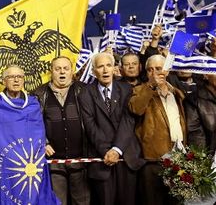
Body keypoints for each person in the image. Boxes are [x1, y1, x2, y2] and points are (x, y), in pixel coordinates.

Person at [0, 65, 59, 205]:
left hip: (30, 164)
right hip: (5, 163)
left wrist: (43, 144)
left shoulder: (33, 104)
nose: (16, 80)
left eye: (20, 77)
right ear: (4, 81)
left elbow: (38, 131)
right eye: (11, 77)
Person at [78, 52, 145, 205]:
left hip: (126, 158)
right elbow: (90, 126)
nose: (105, 70)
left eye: (108, 65)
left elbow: (128, 121)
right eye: (100, 67)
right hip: (102, 160)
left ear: (115, 68)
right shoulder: (85, 93)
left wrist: (117, 149)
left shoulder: (127, 89)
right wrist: (106, 151)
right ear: (94, 71)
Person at [129, 54, 187, 205]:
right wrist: (150, 86)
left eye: (158, 69)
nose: (154, 73)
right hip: (153, 160)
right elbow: (136, 109)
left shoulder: (176, 93)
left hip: (178, 157)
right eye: (150, 70)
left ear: (167, 71)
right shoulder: (140, 90)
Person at [32, 56, 90, 205]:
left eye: (66, 68)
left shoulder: (84, 90)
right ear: (51, 71)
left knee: (82, 202)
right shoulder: (38, 94)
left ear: (72, 71)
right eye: (57, 69)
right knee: (57, 202)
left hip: (80, 159)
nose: (62, 72)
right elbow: (32, 123)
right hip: (53, 163)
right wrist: (42, 142)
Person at [184, 73, 216, 153]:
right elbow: (196, 136)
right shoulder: (194, 100)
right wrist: (203, 161)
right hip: (210, 159)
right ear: (206, 75)